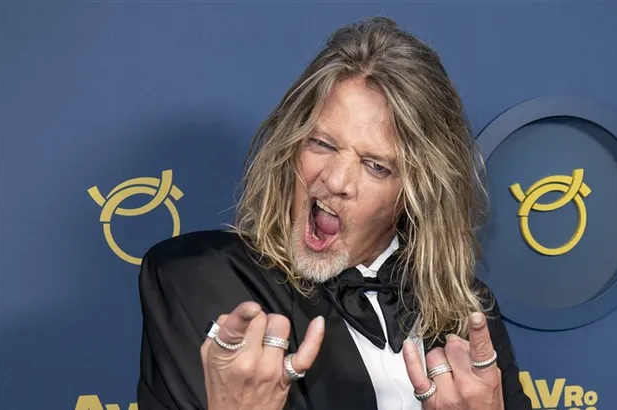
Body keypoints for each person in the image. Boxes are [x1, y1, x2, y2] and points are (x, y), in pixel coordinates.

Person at [137, 16, 533, 410]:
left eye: (375, 166)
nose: (336, 180)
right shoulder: (200, 279)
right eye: (323, 144)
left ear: (417, 192)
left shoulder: (467, 313)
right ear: (290, 143)